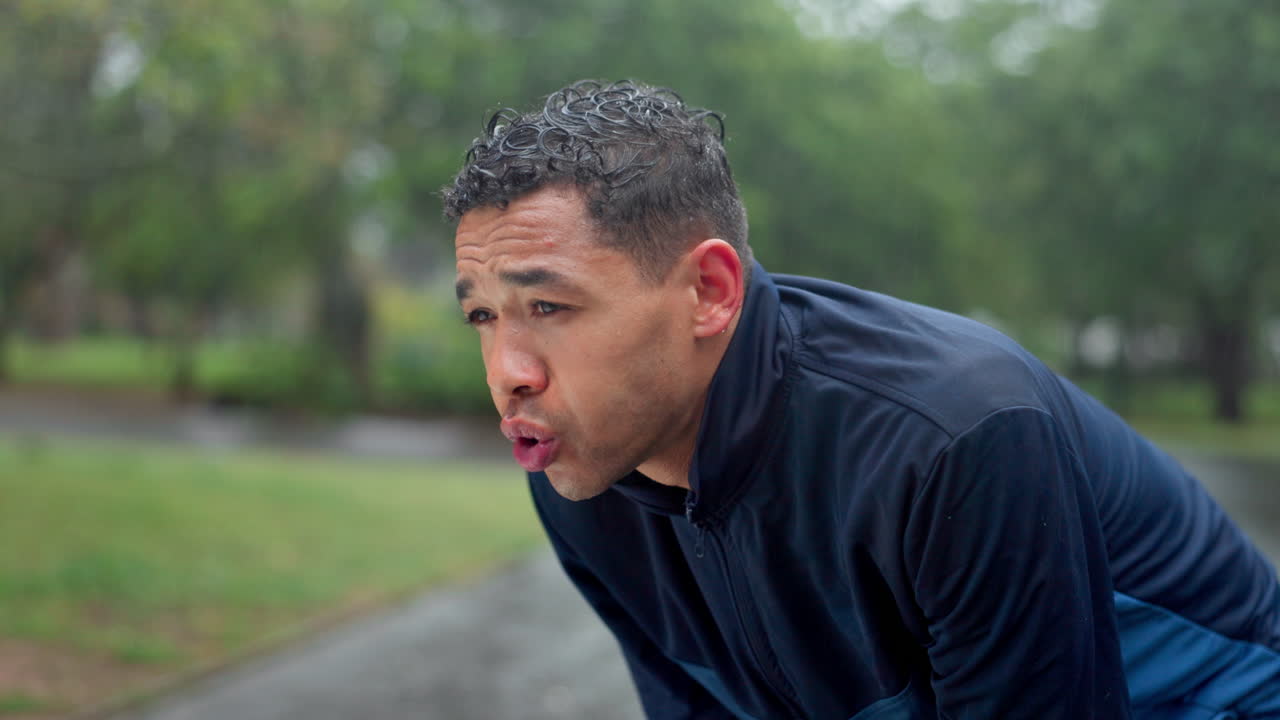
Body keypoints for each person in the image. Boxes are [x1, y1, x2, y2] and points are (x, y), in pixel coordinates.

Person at [443, 79, 1280, 719]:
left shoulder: (952, 435)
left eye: (547, 307)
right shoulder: (581, 468)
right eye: (483, 314)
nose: (508, 370)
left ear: (707, 290)